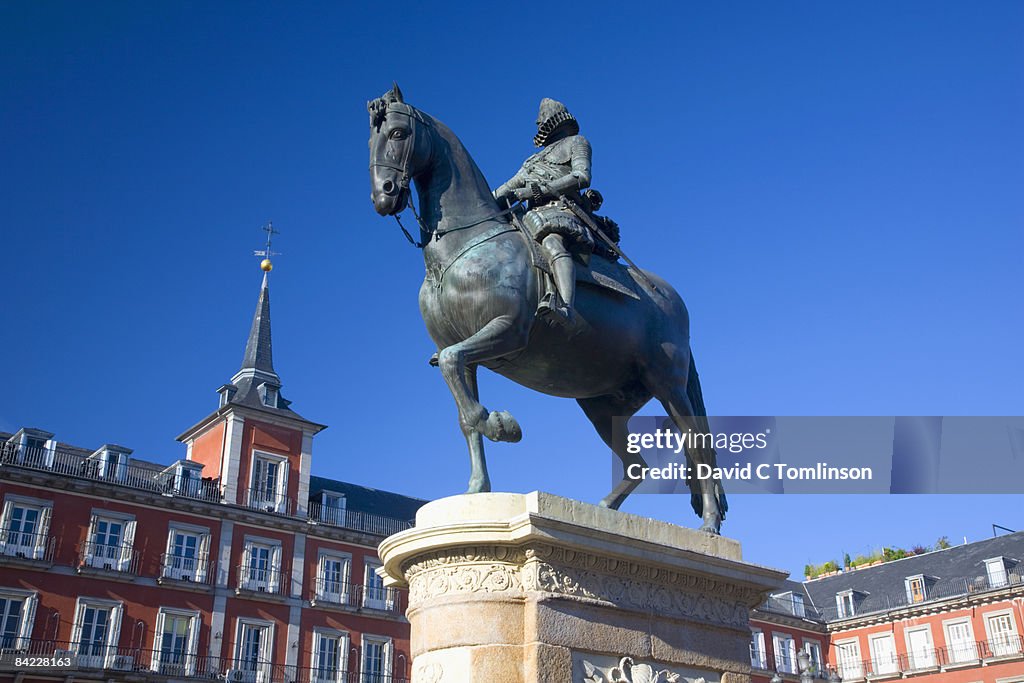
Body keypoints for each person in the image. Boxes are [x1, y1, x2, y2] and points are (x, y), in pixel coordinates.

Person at [494, 98, 594, 325]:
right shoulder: (531, 161)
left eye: (542, 120)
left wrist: (535, 192)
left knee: (551, 242)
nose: (539, 123)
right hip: (531, 218)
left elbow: (582, 177)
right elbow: (507, 187)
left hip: (563, 210)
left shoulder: (577, 142)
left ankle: (566, 306)